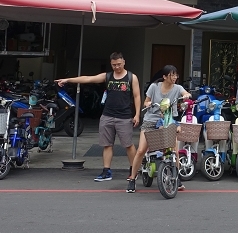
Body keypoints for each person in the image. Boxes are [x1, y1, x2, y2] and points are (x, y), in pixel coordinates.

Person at [56, 52, 141, 182]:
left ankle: (134, 170)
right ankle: (106, 171)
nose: (116, 67)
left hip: (124, 116)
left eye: (119, 64)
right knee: (107, 145)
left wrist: (137, 114)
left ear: (124, 62)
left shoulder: (131, 77)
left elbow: (137, 96)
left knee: (128, 145)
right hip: (107, 115)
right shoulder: (107, 76)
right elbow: (88, 79)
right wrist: (68, 80)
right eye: (114, 65)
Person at [127, 65, 190, 193]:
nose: (175, 77)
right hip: (151, 120)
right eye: (172, 75)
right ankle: (132, 178)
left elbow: (185, 93)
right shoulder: (154, 87)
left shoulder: (177, 88)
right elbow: (146, 102)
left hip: (168, 120)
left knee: (174, 151)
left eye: (176, 75)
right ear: (165, 77)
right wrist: (148, 104)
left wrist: (187, 95)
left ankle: (176, 177)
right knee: (140, 150)